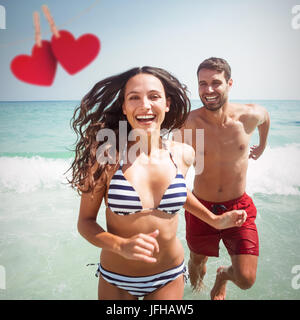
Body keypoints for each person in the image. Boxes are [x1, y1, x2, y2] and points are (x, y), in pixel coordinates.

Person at [68, 66, 247, 300]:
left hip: (168, 274)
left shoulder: (183, 154)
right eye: (134, 97)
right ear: (124, 106)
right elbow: (85, 222)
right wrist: (120, 246)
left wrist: (214, 220)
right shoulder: (107, 157)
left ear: (167, 103)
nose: (145, 105)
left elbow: (178, 194)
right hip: (117, 277)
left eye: (154, 96)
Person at [181, 57, 270, 299]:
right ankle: (195, 295)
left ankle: (223, 276)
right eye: (202, 84)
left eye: (215, 83)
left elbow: (266, 118)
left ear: (230, 84)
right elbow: (175, 181)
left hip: (238, 206)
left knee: (246, 279)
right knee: (197, 262)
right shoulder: (189, 123)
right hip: (201, 207)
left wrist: (261, 146)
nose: (208, 90)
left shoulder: (249, 115)